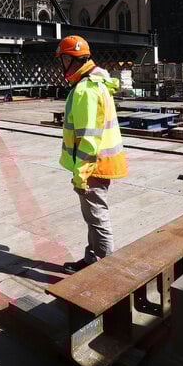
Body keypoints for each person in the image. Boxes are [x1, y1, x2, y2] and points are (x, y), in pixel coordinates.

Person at [56, 35, 129, 274]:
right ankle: (92, 260)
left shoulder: (86, 90)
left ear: (70, 58)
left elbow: (89, 136)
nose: (62, 65)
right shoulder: (95, 82)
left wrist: (81, 175)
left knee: (98, 220)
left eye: (63, 59)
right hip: (99, 164)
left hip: (93, 167)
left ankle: (107, 274)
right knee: (93, 218)